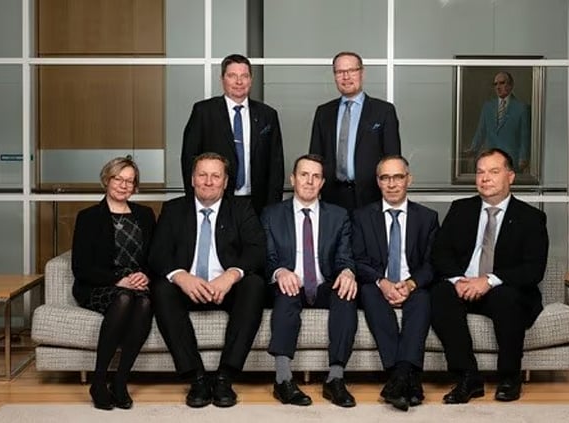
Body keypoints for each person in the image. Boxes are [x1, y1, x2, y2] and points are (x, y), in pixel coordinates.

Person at [430, 148, 549, 403]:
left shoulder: (531, 217)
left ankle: (509, 377)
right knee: (440, 294)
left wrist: (489, 280)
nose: (485, 178)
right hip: (464, 286)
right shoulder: (460, 209)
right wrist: (458, 281)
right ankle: (467, 376)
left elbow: (533, 269)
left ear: (510, 177)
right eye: (480, 172)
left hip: (503, 289)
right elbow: (440, 254)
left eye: (493, 172)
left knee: (506, 297)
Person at [149, 152, 266, 408]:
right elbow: (157, 253)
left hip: (225, 288)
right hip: (187, 288)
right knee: (161, 288)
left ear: (225, 182)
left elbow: (257, 249)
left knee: (254, 285)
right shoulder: (173, 209)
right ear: (192, 179)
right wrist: (181, 276)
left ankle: (225, 377)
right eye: (202, 175)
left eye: (216, 176)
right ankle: (197, 378)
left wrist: (231, 275)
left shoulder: (241, 208)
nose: (209, 181)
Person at [261, 154, 358, 408]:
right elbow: (268, 258)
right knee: (286, 293)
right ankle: (283, 380)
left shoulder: (338, 215)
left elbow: (344, 256)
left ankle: (335, 379)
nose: (309, 181)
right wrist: (280, 271)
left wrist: (347, 272)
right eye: (304, 175)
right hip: (290, 283)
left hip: (324, 283)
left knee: (346, 294)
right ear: (293, 179)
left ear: (322, 183)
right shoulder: (272, 214)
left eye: (316, 176)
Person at [352, 155, 439, 412]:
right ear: (378, 182)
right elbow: (357, 260)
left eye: (398, 177)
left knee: (423, 299)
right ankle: (408, 378)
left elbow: (432, 264)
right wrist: (382, 282)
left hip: (412, 286)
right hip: (377, 285)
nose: (391, 184)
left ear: (408, 180)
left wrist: (410, 284)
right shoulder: (361, 217)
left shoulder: (427, 218)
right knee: (369, 293)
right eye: (385, 178)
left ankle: (398, 377)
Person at [71, 156, 156, 410]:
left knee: (144, 303)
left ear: (135, 186)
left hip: (137, 283)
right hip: (99, 284)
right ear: (106, 180)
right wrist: (120, 280)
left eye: (130, 181)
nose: (123, 185)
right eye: (118, 179)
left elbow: (155, 257)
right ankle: (98, 382)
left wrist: (146, 275)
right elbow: (81, 267)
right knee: (124, 298)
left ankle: (120, 382)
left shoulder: (145, 215)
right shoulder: (88, 217)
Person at [181, 53, 284, 215]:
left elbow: (276, 165)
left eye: (244, 76)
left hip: (257, 204)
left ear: (251, 80)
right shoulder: (204, 111)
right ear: (222, 79)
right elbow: (189, 159)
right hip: (215, 201)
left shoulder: (267, 115)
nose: (239, 82)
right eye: (232, 76)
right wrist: (195, 201)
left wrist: (273, 207)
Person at [309, 51, 401, 212]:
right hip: (331, 198)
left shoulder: (383, 111)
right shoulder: (323, 112)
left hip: (371, 197)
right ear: (334, 76)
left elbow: (393, 159)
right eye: (340, 72)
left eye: (352, 70)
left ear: (362, 73)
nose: (346, 77)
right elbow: (315, 158)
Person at [468, 72, 531, 172]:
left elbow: (524, 136)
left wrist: (523, 158)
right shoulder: (487, 107)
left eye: (502, 83)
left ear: (511, 85)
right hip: (490, 159)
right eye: (495, 84)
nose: (498, 87)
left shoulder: (522, 108)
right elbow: (480, 131)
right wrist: (473, 150)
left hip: (511, 161)